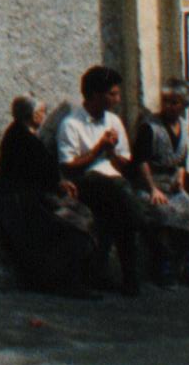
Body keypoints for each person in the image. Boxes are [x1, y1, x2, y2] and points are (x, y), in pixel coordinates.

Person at [0, 95, 102, 297]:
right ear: (33, 115)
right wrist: (59, 184)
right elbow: (36, 173)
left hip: (20, 194)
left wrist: (58, 183)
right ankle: (66, 281)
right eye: (42, 112)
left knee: (79, 215)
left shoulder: (20, 134)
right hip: (17, 199)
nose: (44, 115)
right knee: (72, 225)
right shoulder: (24, 139)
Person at [47, 64, 154, 295]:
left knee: (121, 212)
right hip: (86, 182)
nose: (117, 99)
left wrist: (113, 153)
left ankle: (128, 279)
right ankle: (144, 223)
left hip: (115, 185)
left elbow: (124, 163)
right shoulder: (71, 124)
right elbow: (68, 166)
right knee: (116, 191)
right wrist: (98, 150)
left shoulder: (113, 121)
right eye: (112, 94)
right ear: (96, 94)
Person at [134, 85, 189, 285]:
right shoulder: (149, 127)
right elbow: (140, 161)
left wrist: (180, 178)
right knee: (164, 213)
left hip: (172, 184)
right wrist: (152, 188)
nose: (169, 106)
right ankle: (164, 268)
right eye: (166, 101)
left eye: (174, 102)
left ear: (183, 105)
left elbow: (181, 160)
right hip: (151, 183)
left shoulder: (184, 126)